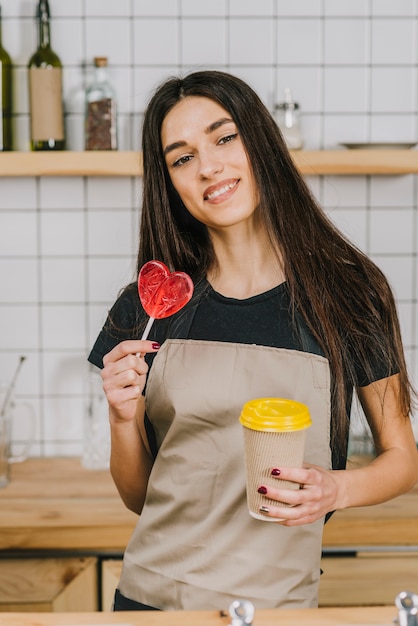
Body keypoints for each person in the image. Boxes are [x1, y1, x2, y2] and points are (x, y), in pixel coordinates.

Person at [88, 70, 418, 611]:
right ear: (169, 182)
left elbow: (402, 457)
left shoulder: (350, 292)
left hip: (278, 609)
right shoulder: (149, 307)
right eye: (182, 158)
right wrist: (122, 419)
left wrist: (336, 488)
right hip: (151, 602)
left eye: (224, 138)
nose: (209, 167)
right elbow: (140, 497)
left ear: (259, 141)